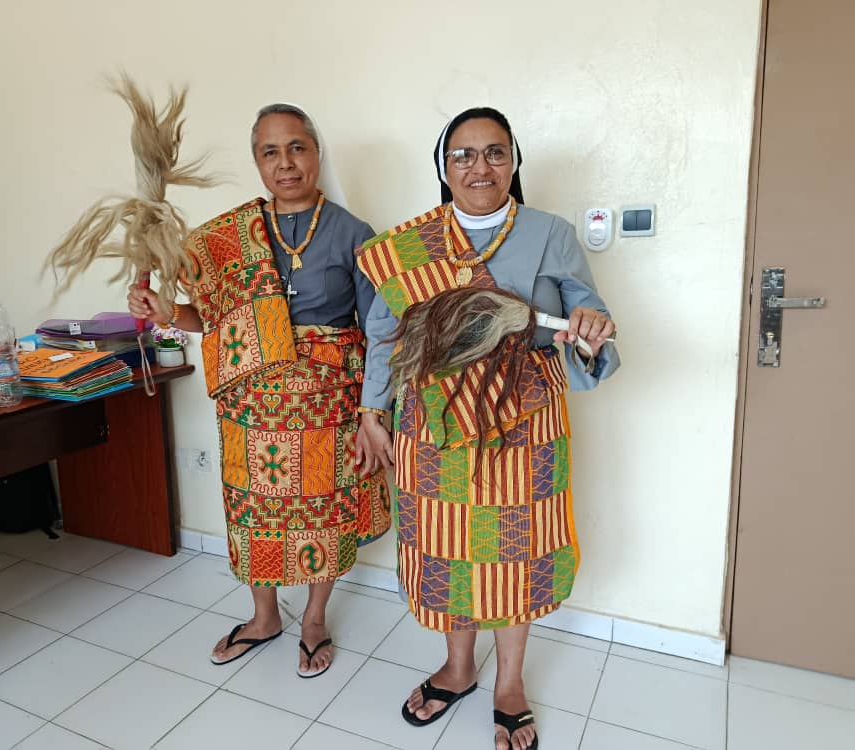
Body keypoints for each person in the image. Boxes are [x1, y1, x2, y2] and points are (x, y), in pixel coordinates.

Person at [356, 107, 619, 750]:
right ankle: (457, 667)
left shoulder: (551, 233)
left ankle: (509, 683)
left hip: (523, 425)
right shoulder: (407, 249)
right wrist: (372, 412)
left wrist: (590, 329)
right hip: (435, 426)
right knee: (448, 547)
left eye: (496, 152)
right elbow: (385, 335)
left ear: (514, 162)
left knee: (515, 552)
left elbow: (587, 316)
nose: (480, 167)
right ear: (444, 168)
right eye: (464, 155)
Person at [128, 104, 391, 679]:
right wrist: (166, 311)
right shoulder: (226, 239)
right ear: (257, 161)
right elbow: (213, 319)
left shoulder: (355, 233)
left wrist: (374, 413)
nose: (285, 163)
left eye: (297, 147)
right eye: (270, 152)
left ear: (316, 153)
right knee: (255, 514)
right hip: (252, 408)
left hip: (328, 405)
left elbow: (379, 331)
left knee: (325, 513)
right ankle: (264, 616)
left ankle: (314, 619)